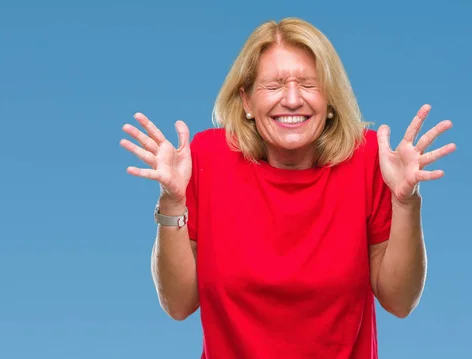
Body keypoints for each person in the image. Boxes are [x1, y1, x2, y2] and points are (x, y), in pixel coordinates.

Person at [119, 17, 456, 359]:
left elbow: (399, 302)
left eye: (309, 84)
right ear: (247, 101)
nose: (293, 100)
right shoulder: (205, 158)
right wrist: (172, 202)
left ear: (330, 99)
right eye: (274, 85)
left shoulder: (369, 159)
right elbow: (178, 305)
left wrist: (406, 202)